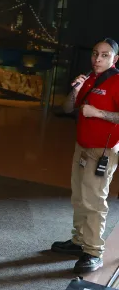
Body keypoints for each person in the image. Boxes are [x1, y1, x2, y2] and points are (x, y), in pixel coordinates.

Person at [51, 38, 119, 274]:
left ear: (115, 59)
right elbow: (68, 108)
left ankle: (93, 252)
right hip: (82, 147)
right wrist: (75, 90)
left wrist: (98, 113)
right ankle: (79, 240)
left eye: (105, 55)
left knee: (95, 202)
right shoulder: (89, 78)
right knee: (79, 196)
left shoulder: (117, 81)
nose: (98, 59)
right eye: (95, 54)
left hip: (102, 151)